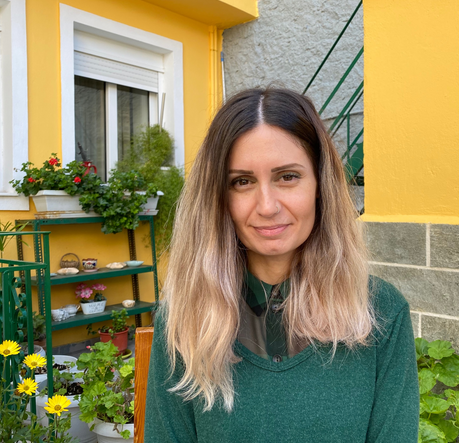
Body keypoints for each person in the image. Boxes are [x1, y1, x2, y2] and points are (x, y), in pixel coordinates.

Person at [145, 87, 419, 442]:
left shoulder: (381, 313)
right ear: (218, 199)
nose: (267, 206)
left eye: (287, 176)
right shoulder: (184, 320)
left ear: (321, 184)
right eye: (242, 182)